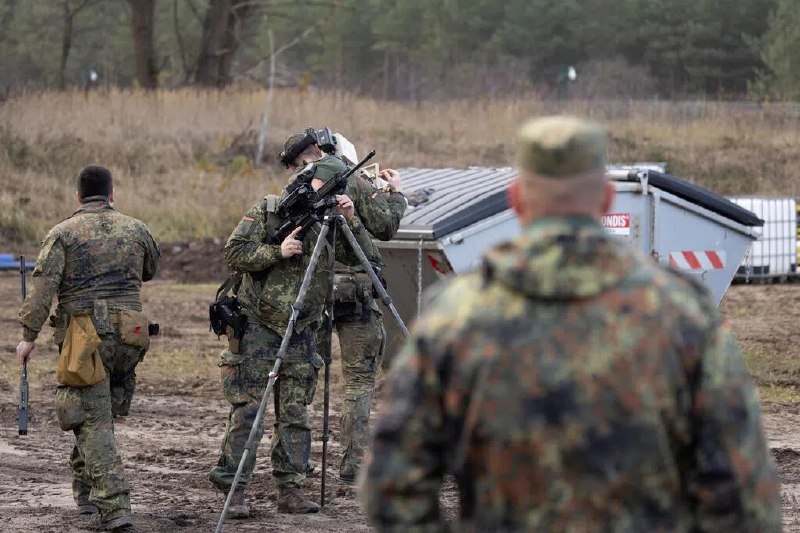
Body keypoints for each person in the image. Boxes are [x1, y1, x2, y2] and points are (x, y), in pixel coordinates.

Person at [360, 116, 782, 531]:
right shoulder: (682, 313)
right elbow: (744, 497)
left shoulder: (455, 316)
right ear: (605, 199)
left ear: (518, 199)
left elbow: (393, 487)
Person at [208, 153, 377, 517]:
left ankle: (291, 488)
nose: (325, 193)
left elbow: (368, 258)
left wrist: (352, 219)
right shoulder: (270, 209)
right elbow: (234, 252)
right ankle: (234, 489)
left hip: (302, 331)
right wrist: (277, 251)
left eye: (334, 189)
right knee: (248, 412)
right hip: (258, 327)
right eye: (322, 185)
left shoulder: (331, 223)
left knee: (296, 412)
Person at [16, 165, 160, 532]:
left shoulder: (62, 233)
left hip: (85, 338)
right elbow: (149, 271)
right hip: (131, 336)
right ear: (112, 195)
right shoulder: (137, 229)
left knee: (92, 419)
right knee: (99, 413)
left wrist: (28, 336)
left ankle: (115, 510)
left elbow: (43, 290)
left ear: (78, 197)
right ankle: (85, 494)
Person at [281, 131, 406, 484]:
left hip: (313, 291)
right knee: (359, 380)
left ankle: (295, 466)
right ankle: (352, 465)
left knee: (302, 376)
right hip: (358, 291)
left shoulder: (296, 189)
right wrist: (396, 194)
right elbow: (386, 227)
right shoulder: (354, 181)